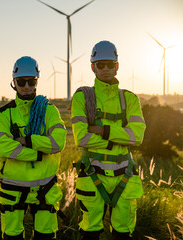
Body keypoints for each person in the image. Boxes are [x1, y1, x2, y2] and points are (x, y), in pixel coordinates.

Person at [70, 40, 146, 240]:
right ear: (93, 67)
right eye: (100, 65)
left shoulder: (130, 99)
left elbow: (137, 137)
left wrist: (103, 130)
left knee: (123, 234)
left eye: (110, 64)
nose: (105, 69)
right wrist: (118, 138)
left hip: (125, 177)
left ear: (117, 66)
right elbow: (82, 138)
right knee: (90, 233)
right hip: (93, 176)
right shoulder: (82, 98)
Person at [0, 56, 67, 239]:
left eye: (31, 81)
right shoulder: (4, 114)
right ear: (14, 82)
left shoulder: (50, 110)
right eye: (21, 81)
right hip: (12, 189)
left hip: (44, 189)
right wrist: (39, 153)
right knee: (12, 236)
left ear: (37, 81)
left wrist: (28, 140)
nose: (26, 86)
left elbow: (58, 143)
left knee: (46, 236)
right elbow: (3, 148)